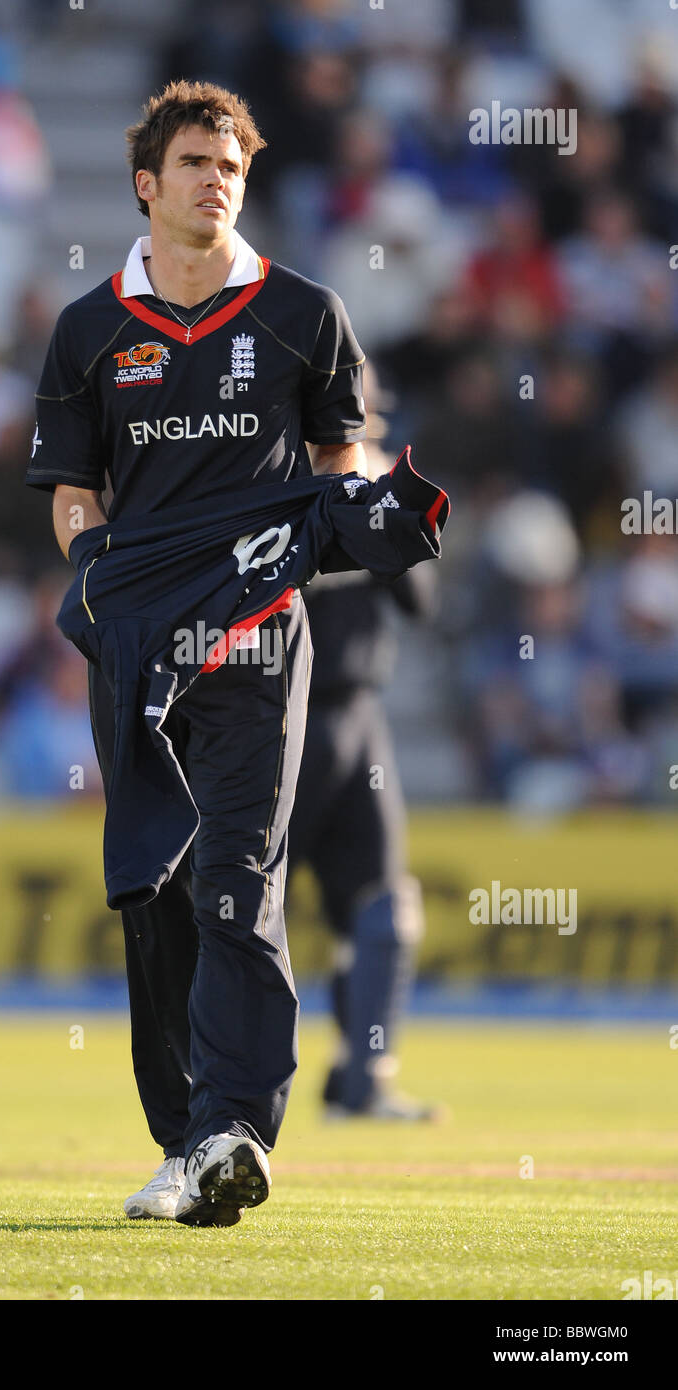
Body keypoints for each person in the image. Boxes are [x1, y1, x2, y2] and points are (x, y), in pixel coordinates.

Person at [26, 80, 372, 1227]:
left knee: (239, 880)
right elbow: (73, 498)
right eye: (193, 163)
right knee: (156, 896)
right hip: (138, 658)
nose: (216, 180)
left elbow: (336, 471)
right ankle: (186, 1138)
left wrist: (366, 514)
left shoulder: (303, 314)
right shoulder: (89, 329)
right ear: (146, 184)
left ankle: (235, 1127)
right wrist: (99, 564)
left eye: (231, 165)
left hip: (261, 644)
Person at [288, 387, 445, 1122]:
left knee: (383, 909)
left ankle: (363, 1078)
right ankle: (226, 1090)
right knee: (245, 907)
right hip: (277, 719)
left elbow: (420, 603)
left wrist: (389, 520)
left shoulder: (375, 482)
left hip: (358, 717)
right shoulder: (279, 485)